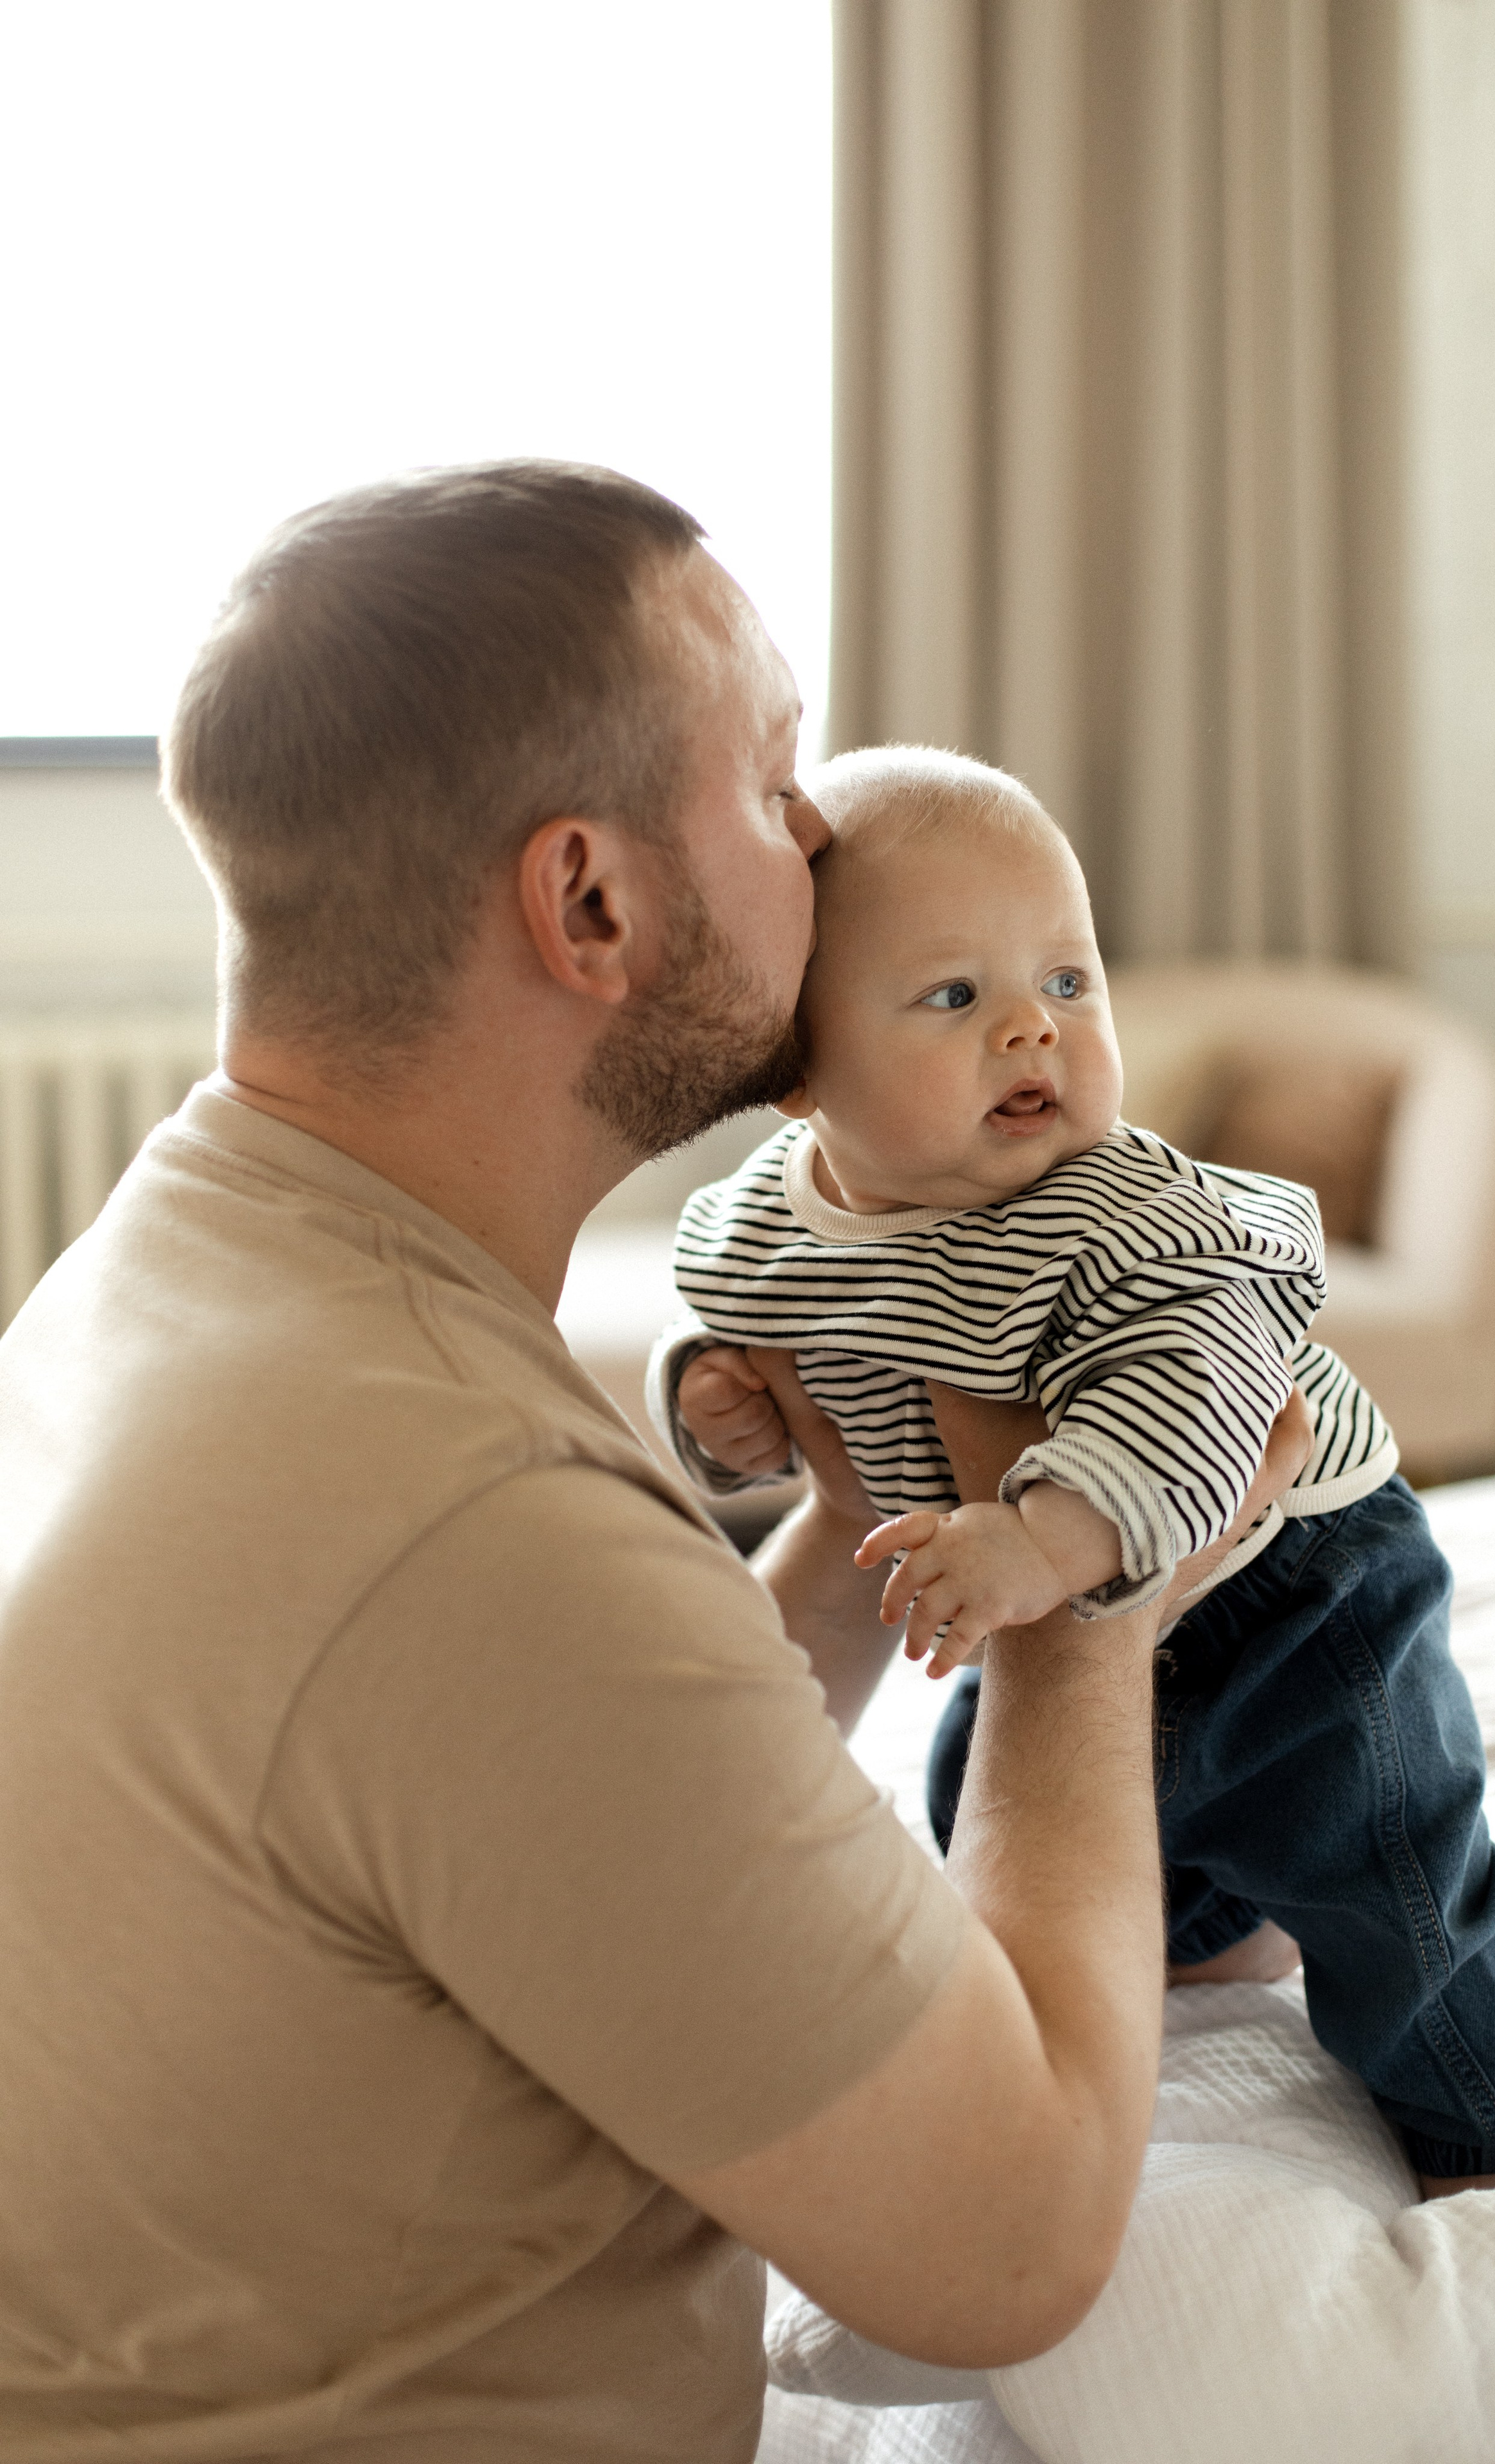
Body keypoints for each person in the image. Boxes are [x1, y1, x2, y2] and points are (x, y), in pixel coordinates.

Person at [0, 463, 1304, 2464]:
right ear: (591, 900)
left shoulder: (160, 1276)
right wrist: (1094, 1608)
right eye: (782, 782)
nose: (823, 835)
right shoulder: (467, 1526)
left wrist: (864, 1518)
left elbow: (560, 1803)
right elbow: (1012, 2243)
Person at [652, 744, 1495, 2200]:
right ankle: (1205, 1930)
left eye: (1067, 983)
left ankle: (1483, 2133)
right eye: (955, 997)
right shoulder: (765, 1225)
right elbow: (750, 1347)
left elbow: (1202, 1408)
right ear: (792, 1071)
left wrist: (1038, 1551)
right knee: (987, 1821)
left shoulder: (1135, 1226)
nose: (1031, 1030)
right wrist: (716, 1409)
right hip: (1030, 1587)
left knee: (1378, 1860)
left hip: (1292, 1581)